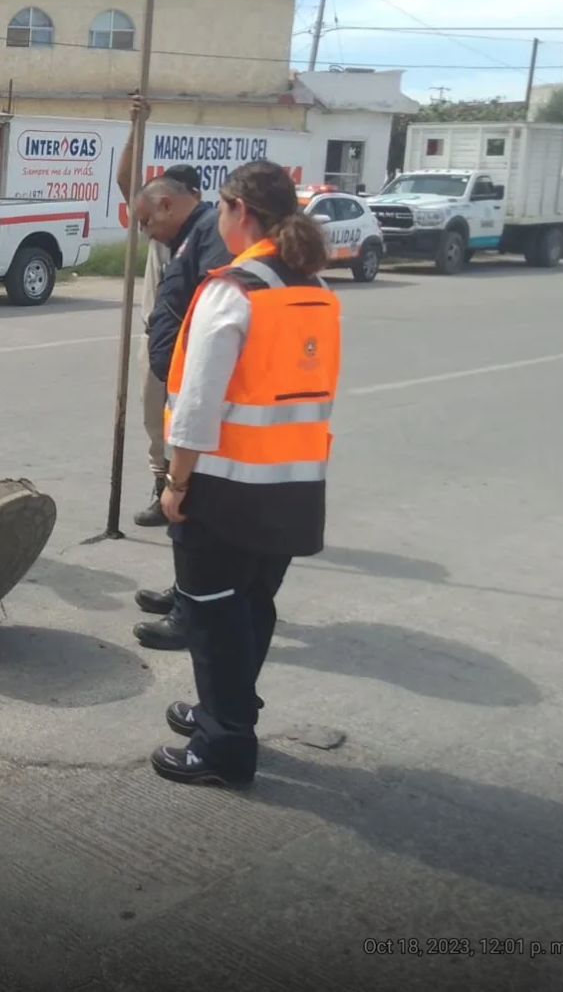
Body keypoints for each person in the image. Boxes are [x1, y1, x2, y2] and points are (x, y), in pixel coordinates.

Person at [150, 160, 339, 787]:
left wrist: (176, 483)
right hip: (293, 484)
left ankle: (225, 744)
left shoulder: (233, 289)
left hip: (226, 488)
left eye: (224, 211)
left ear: (243, 214)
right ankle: (228, 709)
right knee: (252, 608)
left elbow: (198, 403)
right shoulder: (313, 287)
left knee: (212, 614)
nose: (219, 222)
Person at [129, 170, 233, 653]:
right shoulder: (193, 236)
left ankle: (192, 612)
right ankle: (185, 592)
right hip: (182, 386)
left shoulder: (210, 234)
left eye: (148, 220)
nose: (146, 231)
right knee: (187, 517)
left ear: (168, 205)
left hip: (199, 394)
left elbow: (210, 316)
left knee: (190, 509)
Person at [113, 94, 205, 528]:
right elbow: (127, 184)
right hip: (158, 341)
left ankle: (186, 493)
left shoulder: (205, 236)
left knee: (189, 422)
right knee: (156, 422)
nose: (146, 225)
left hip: (197, 344)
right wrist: (137, 124)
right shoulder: (160, 231)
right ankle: (161, 488)